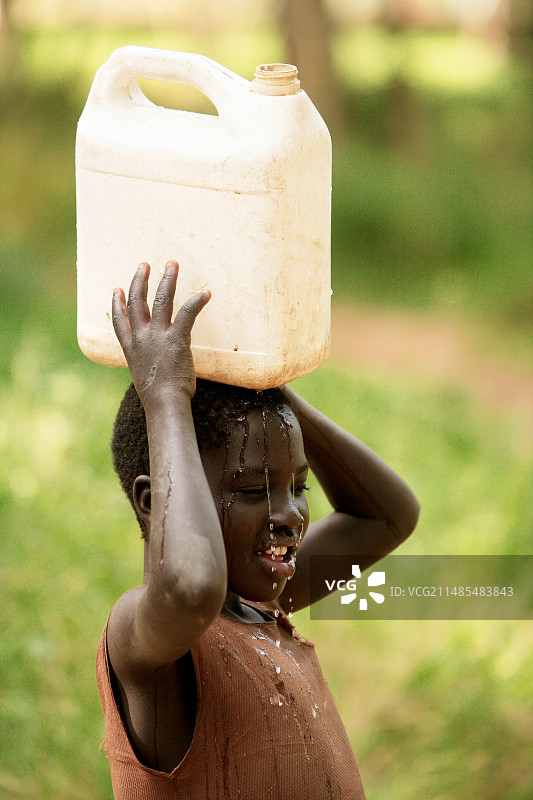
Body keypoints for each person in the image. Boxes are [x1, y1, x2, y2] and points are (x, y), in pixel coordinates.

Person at [97, 260, 420, 799]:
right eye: (250, 492)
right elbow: (190, 586)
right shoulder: (150, 639)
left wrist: (266, 382)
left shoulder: (262, 606)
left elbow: (385, 517)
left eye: (298, 487)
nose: (289, 513)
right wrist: (166, 397)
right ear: (155, 503)